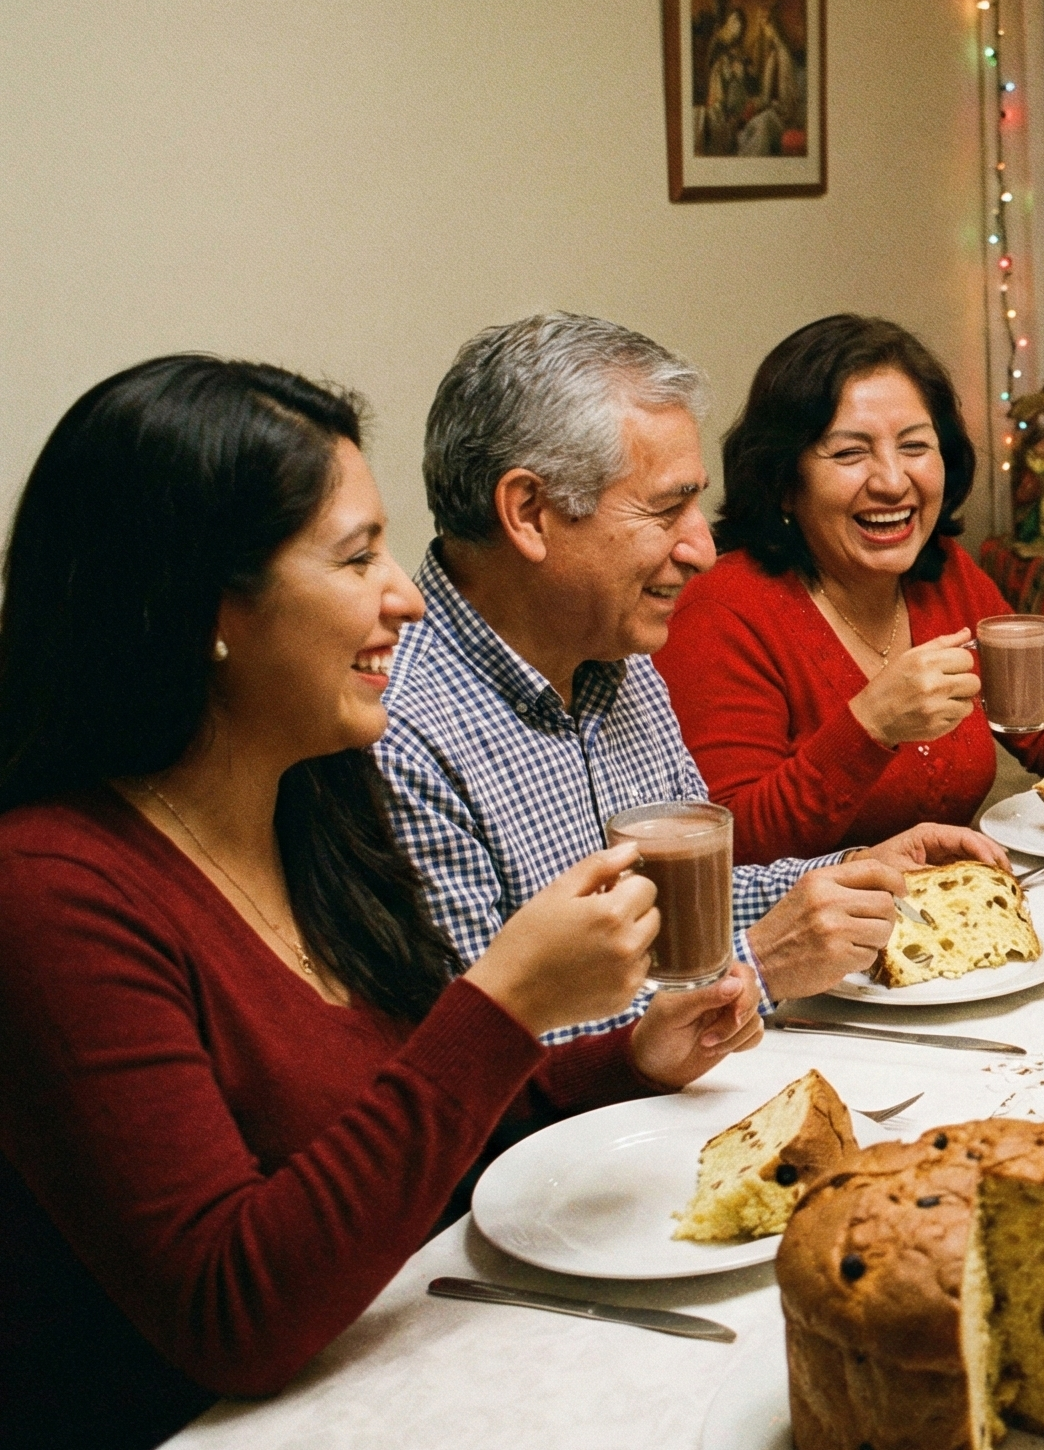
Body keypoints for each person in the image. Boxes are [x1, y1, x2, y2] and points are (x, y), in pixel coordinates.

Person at [0, 357, 763, 1447]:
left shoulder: (314, 801)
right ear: (210, 606)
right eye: (358, 557)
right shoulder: (50, 895)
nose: (404, 592)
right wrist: (503, 1005)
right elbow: (234, 1312)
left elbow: (415, 1130)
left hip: (406, 1362)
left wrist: (625, 1059)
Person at [378, 313, 1005, 1039]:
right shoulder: (400, 733)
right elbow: (478, 1059)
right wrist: (761, 966)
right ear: (529, 513)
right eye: (666, 508)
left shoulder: (618, 659)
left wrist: (856, 871)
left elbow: (687, 900)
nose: (703, 550)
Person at [651, 315, 1044, 864]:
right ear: (784, 483)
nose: (893, 481)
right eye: (849, 454)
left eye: (915, 447)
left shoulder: (946, 575)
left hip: (954, 916)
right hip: (809, 938)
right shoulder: (722, 611)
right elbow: (730, 846)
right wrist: (870, 725)